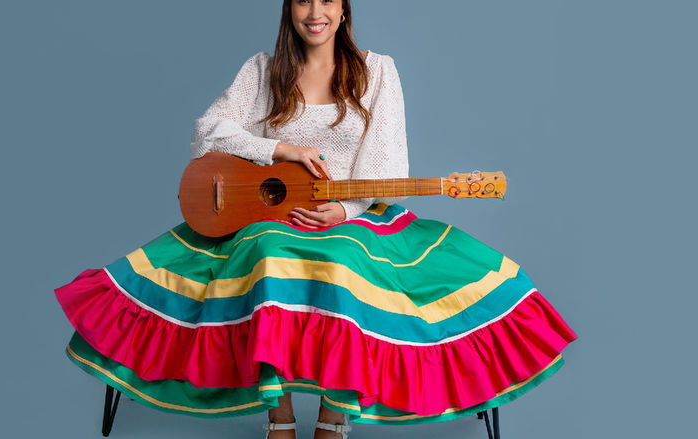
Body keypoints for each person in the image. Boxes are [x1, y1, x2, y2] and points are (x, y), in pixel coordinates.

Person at [55, 1, 576, 438]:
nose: (316, 11)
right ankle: (278, 417)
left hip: (355, 218)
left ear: (344, 8)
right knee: (265, 251)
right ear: (290, 9)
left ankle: (333, 419)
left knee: (343, 262)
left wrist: (342, 209)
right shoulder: (262, 70)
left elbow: (388, 167)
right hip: (268, 217)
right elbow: (206, 133)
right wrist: (279, 146)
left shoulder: (377, 71)